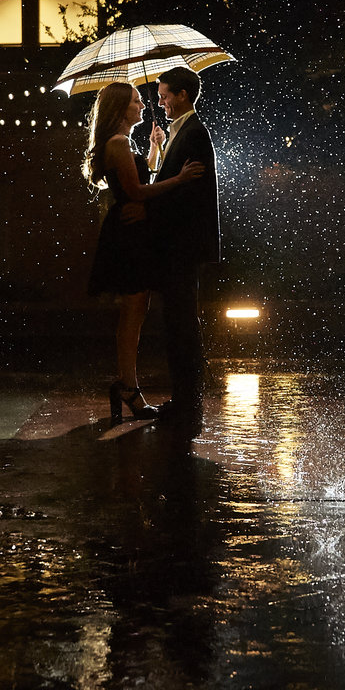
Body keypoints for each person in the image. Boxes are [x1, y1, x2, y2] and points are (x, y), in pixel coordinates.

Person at [83, 79, 209, 422]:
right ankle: (127, 386)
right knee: (133, 313)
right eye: (137, 101)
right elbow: (138, 193)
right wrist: (179, 179)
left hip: (132, 232)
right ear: (121, 108)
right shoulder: (119, 142)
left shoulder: (124, 142)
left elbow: (138, 181)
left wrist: (156, 147)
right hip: (128, 235)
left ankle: (128, 385)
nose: (143, 105)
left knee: (136, 310)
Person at [143, 65, 220, 434]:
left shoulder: (193, 133)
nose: (160, 102)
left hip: (181, 246)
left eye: (163, 95)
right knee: (177, 322)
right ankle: (185, 398)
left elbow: (185, 196)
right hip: (177, 247)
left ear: (182, 95)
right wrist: (158, 150)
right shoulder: (179, 133)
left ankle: (188, 401)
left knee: (182, 324)